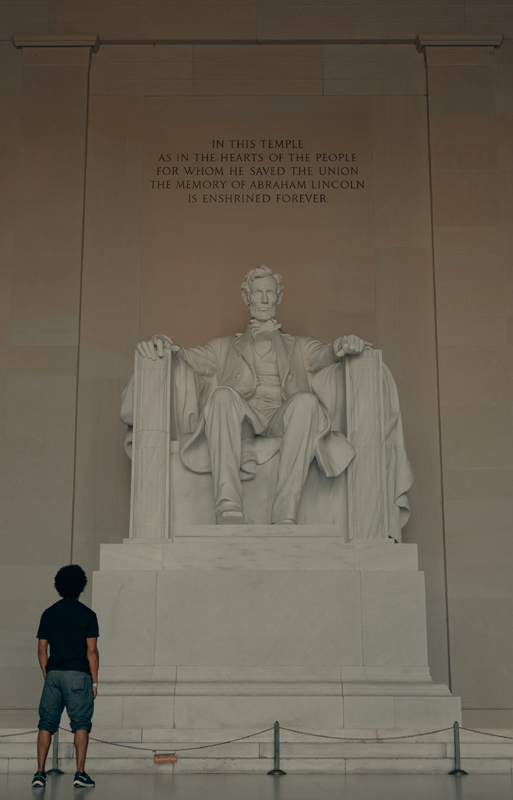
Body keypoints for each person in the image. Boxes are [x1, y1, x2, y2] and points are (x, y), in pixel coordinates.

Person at [127, 265, 367, 525]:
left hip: (281, 417)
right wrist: (159, 340)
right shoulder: (221, 347)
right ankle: (227, 505)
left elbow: (326, 353)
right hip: (242, 418)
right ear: (246, 297)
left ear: (279, 296)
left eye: (270, 293)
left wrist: (342, 344)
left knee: (307, 402)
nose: (264, 299)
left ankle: (285, 511)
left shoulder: (299, 345)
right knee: (220, 396)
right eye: (257, 293)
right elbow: (184, 354)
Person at [32, 565, 99, 789]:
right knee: (81, 723)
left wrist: (47, 674)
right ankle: (79, 774)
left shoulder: (48, 613)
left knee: (46, 723)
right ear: (81, 587)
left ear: (59, 586)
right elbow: (92, 651)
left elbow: (42, 649)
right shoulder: (88, 615)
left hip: (53, 675)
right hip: (79, 675)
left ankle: (39, 773)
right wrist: (95, 681)